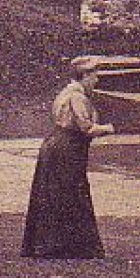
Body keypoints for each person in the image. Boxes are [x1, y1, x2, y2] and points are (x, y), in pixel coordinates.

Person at [21, 56, 115, 259]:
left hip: (57, 145)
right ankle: (71, 247)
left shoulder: (66, 93)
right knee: (72, 193)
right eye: (94, 75)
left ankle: (52, 245)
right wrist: (108, 129)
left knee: (55, 194)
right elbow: (87, 128)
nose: (96, 80)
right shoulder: (77, 97)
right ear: (85, 76)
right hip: (67, 148)